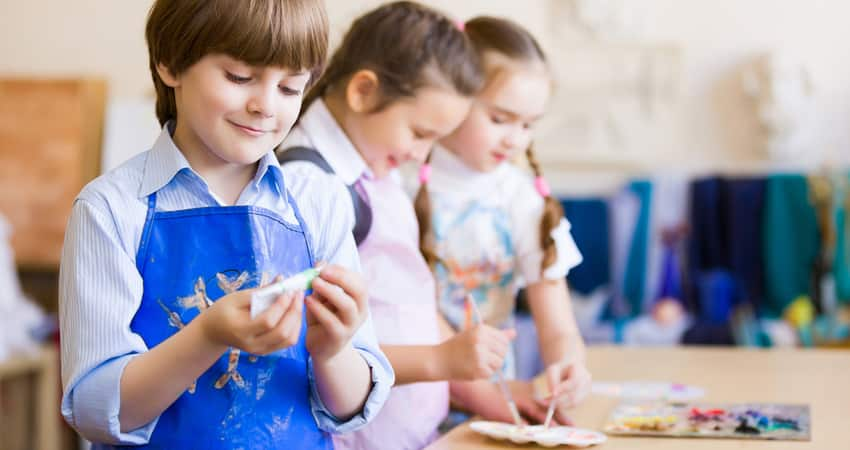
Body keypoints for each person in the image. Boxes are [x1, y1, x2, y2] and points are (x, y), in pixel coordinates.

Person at [58, 1, 392, 448]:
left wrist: (333, 350)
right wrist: (208, 336)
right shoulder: (111, 210)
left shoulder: (319, 203)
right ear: (171, 63)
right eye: (239, 78)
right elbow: (96, 412)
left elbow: (349, 409)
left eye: (291, 88)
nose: (265, 106)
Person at [278, 3, 513, 449]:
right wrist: (442, 360)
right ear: (364, 91)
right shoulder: (312, 185)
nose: (421, 155)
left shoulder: (374, 169)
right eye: (419, 133)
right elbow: (308, 348)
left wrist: (480, 382)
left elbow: (409, 306)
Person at [414, 16, 592, 426]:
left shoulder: (522, 200)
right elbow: (415, 322)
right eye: (500, 119)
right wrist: (489, 396)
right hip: (414, 405)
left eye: (528, 124)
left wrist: (567, 368)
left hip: (494, 411)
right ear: (453, 95)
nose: (515, 139)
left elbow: (559, 328)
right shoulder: (399, 184)